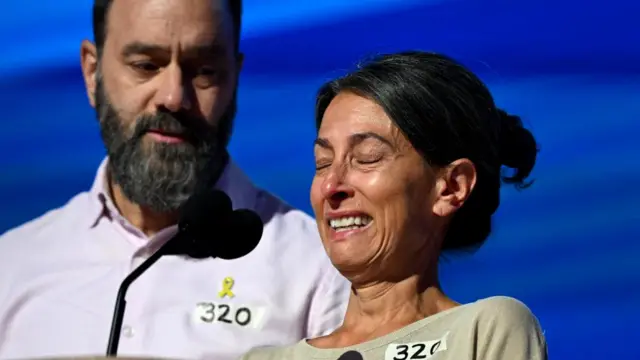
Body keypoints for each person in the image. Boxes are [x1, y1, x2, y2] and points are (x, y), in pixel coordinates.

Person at [0, 0, 350, 359]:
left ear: (235, 77)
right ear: (92, 73)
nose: (173, 97)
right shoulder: (11, 266)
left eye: (204, 70)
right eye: (145, 65)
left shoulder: (318, 273)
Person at [240, 51, 548, 360]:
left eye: (367, 157)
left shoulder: (484, 331)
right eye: (322, 163)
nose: (331, 186)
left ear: (451, 187)